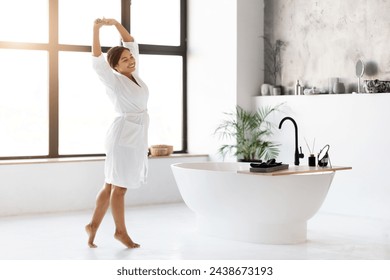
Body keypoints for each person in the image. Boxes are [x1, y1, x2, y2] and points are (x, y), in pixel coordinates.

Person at [85, 18, 149, 249]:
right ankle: (120, 232)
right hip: (123, 136)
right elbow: (96, 58)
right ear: (115, 66)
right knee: (119, 187)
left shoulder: (134, 75)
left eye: (131, 57)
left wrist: (115, 24)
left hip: (133, 133)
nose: (131, 60)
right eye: (125, 59)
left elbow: (129, 41)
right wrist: (95, 29)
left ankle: (93, 226)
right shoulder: (113, 80)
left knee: (111, 184)